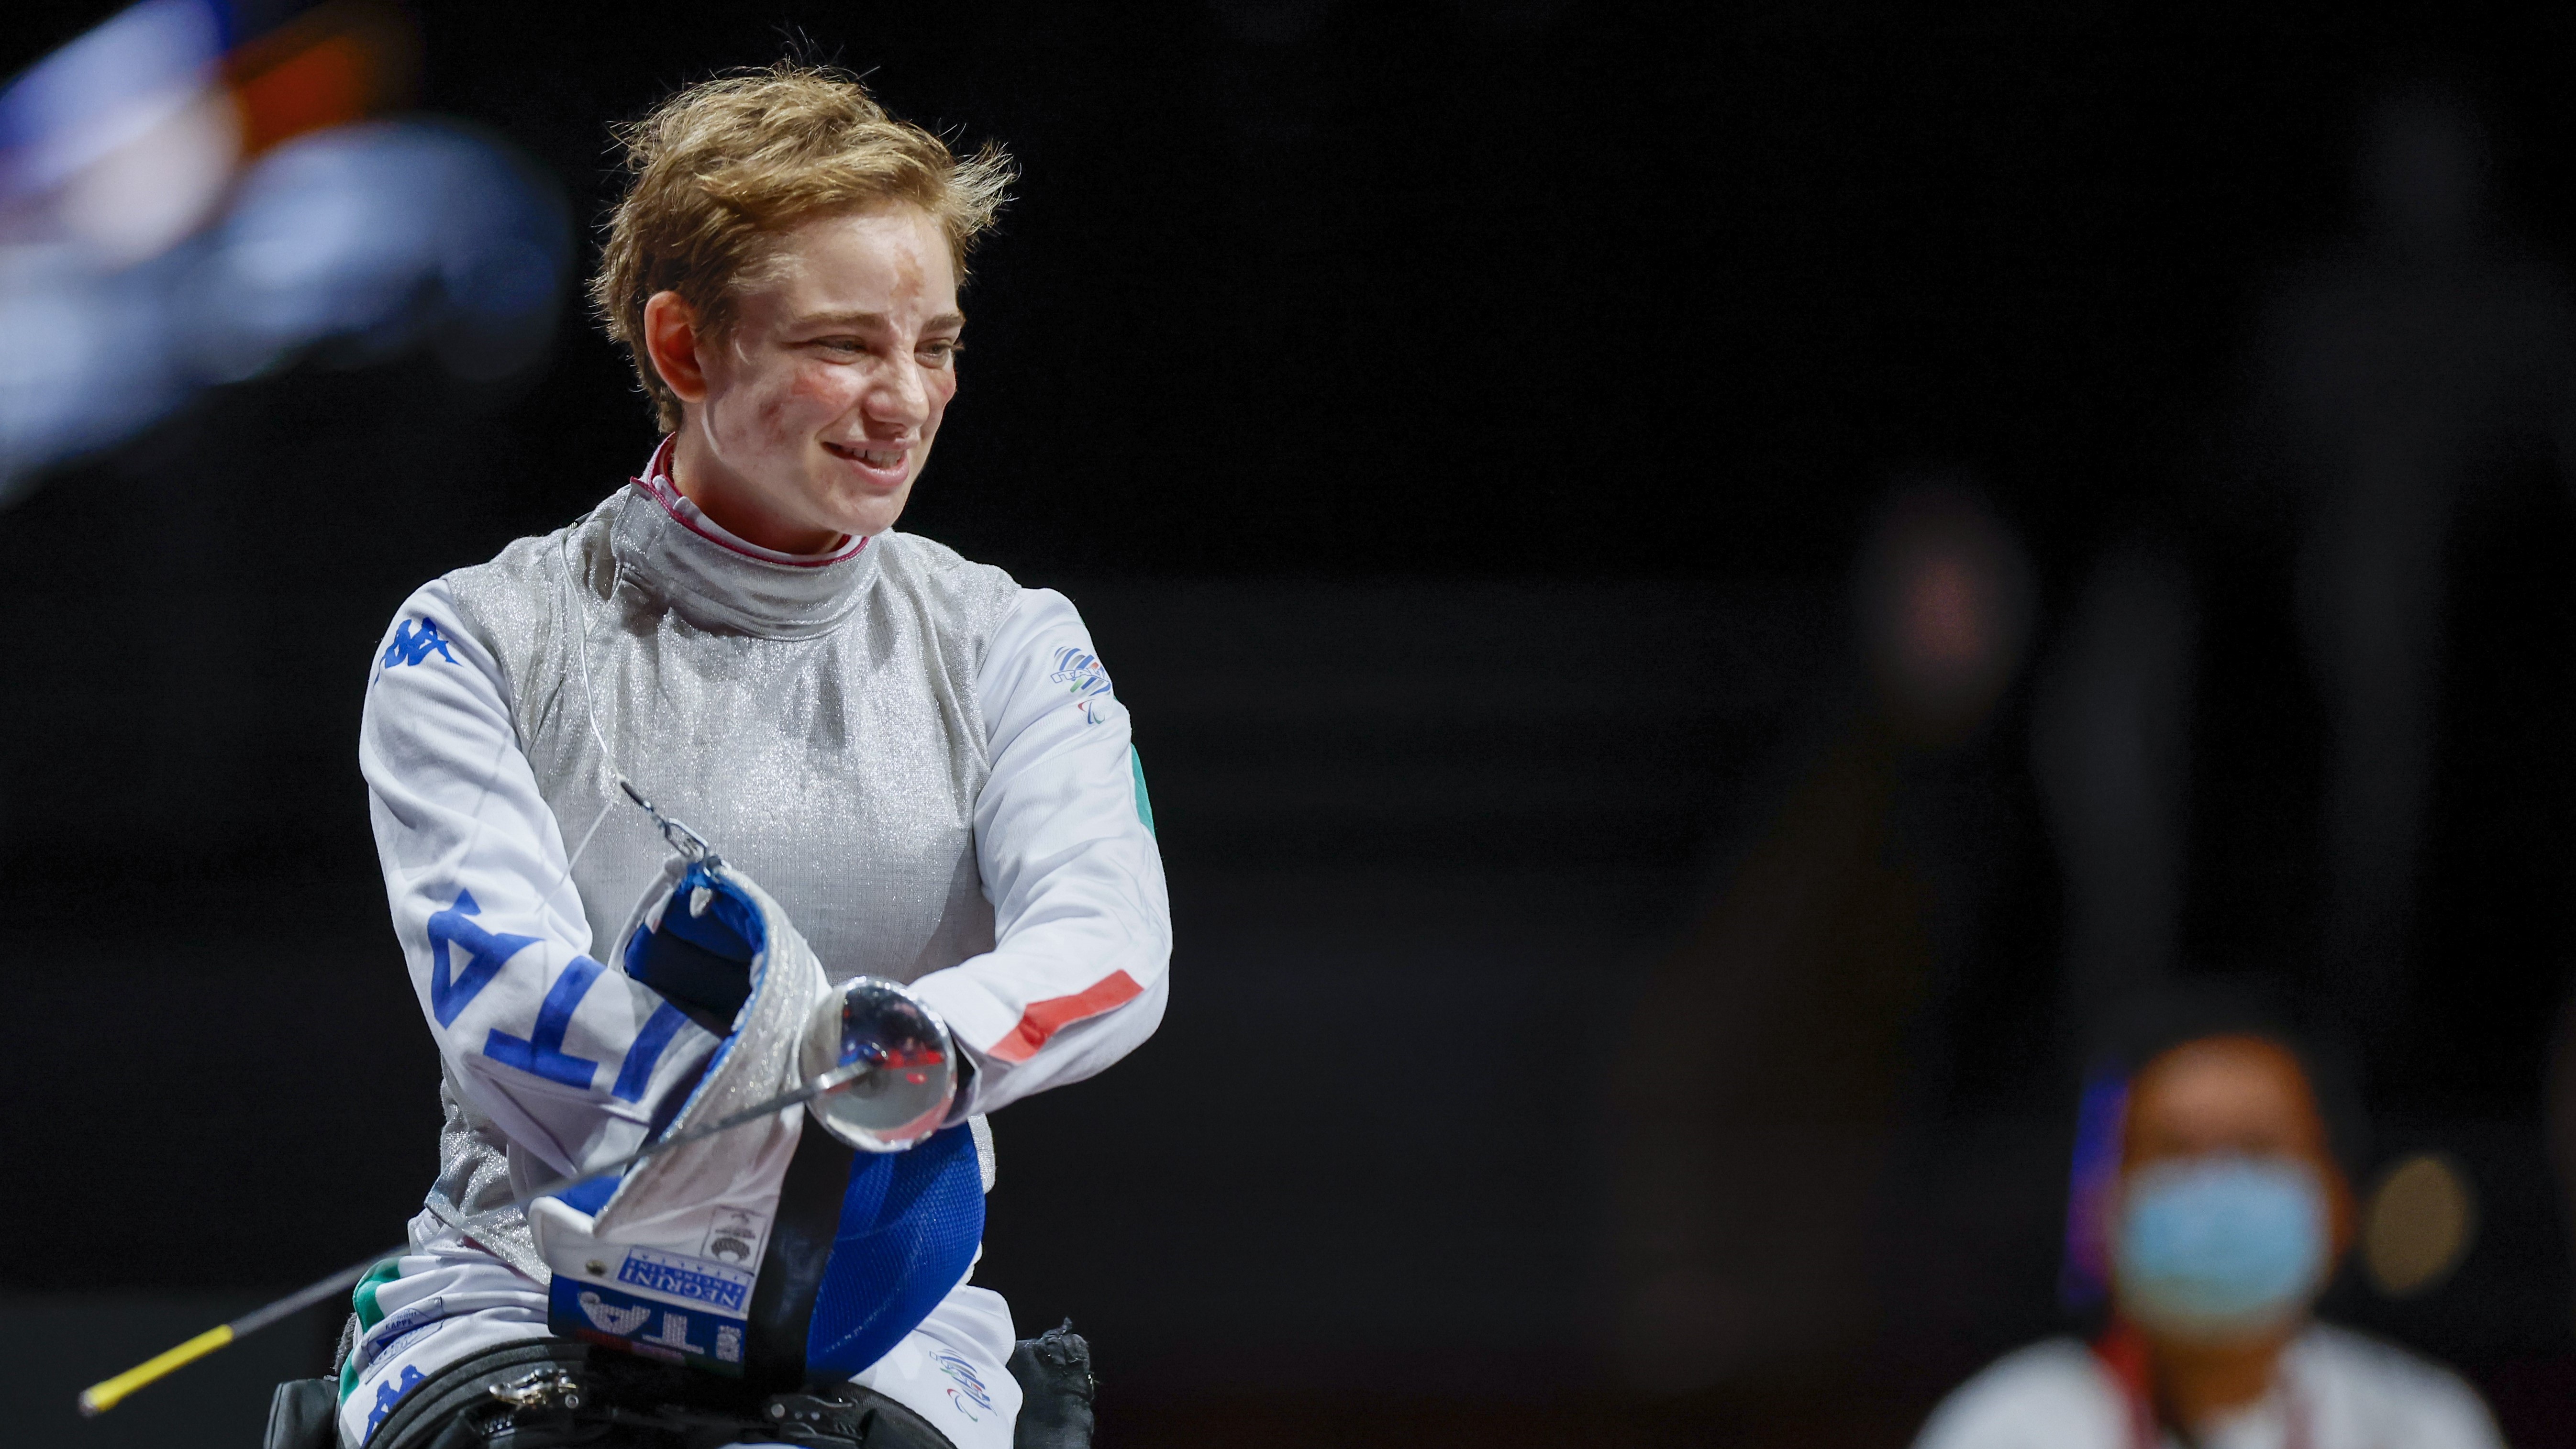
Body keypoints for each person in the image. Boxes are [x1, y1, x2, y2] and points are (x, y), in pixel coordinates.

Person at [331, 63, 1168, 1449]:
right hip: (520, 1289)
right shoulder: (478, 636)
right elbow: (501, 997)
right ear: (685, 349)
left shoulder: (1007, 639)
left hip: (883, 1315)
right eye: (845, 344)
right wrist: (745, 1099)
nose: (905, 399)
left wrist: (922, 1048)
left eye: (938, 343)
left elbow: (1111, 940)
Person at [1912, 1026, 2503, 1449]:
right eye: (2173, 1153)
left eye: (2255, 1150)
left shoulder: (2421, 1425)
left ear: (2336, 1202)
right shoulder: (2006, 1428)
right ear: (2104, 1207)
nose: (2214, 1188)